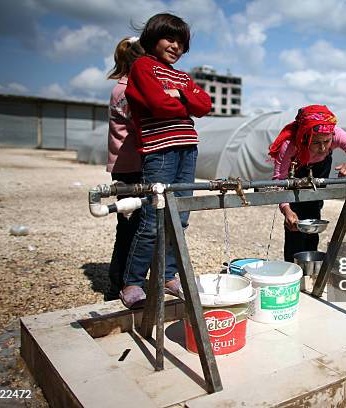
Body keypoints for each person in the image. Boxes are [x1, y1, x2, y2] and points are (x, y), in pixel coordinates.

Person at [121, 13, 211, 308]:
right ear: (153, 38)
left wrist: (180, 94)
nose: (175, 46)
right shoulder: (143, 67)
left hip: (187, 149)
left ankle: (168, 274)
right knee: (151, 219)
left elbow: (205, 104)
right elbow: (159, 106)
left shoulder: (182, 77)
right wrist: (185, 99)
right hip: (160, 150)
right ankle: (133, 281)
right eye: (169, 39)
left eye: (181, 43)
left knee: (180, 217)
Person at [269, 105, 346, 262]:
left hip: (318, 176)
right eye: (316, 143)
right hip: (295, 177)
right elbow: (279, 179)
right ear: (304, 138)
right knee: (295, 224)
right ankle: (293, 267)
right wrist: (286, 209)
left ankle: (310, 264)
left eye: (327, 141)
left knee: (313, 215)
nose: (323, 147)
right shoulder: (290, 143)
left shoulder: (336, 133)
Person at [105, 37, 145, 301]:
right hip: (132, 167)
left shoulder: (123, 87)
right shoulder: (128, 90)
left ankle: (126, 280)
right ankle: (119, 284)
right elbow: (141, 128)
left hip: (127, 166)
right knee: (131, 227)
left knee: (133, 226)